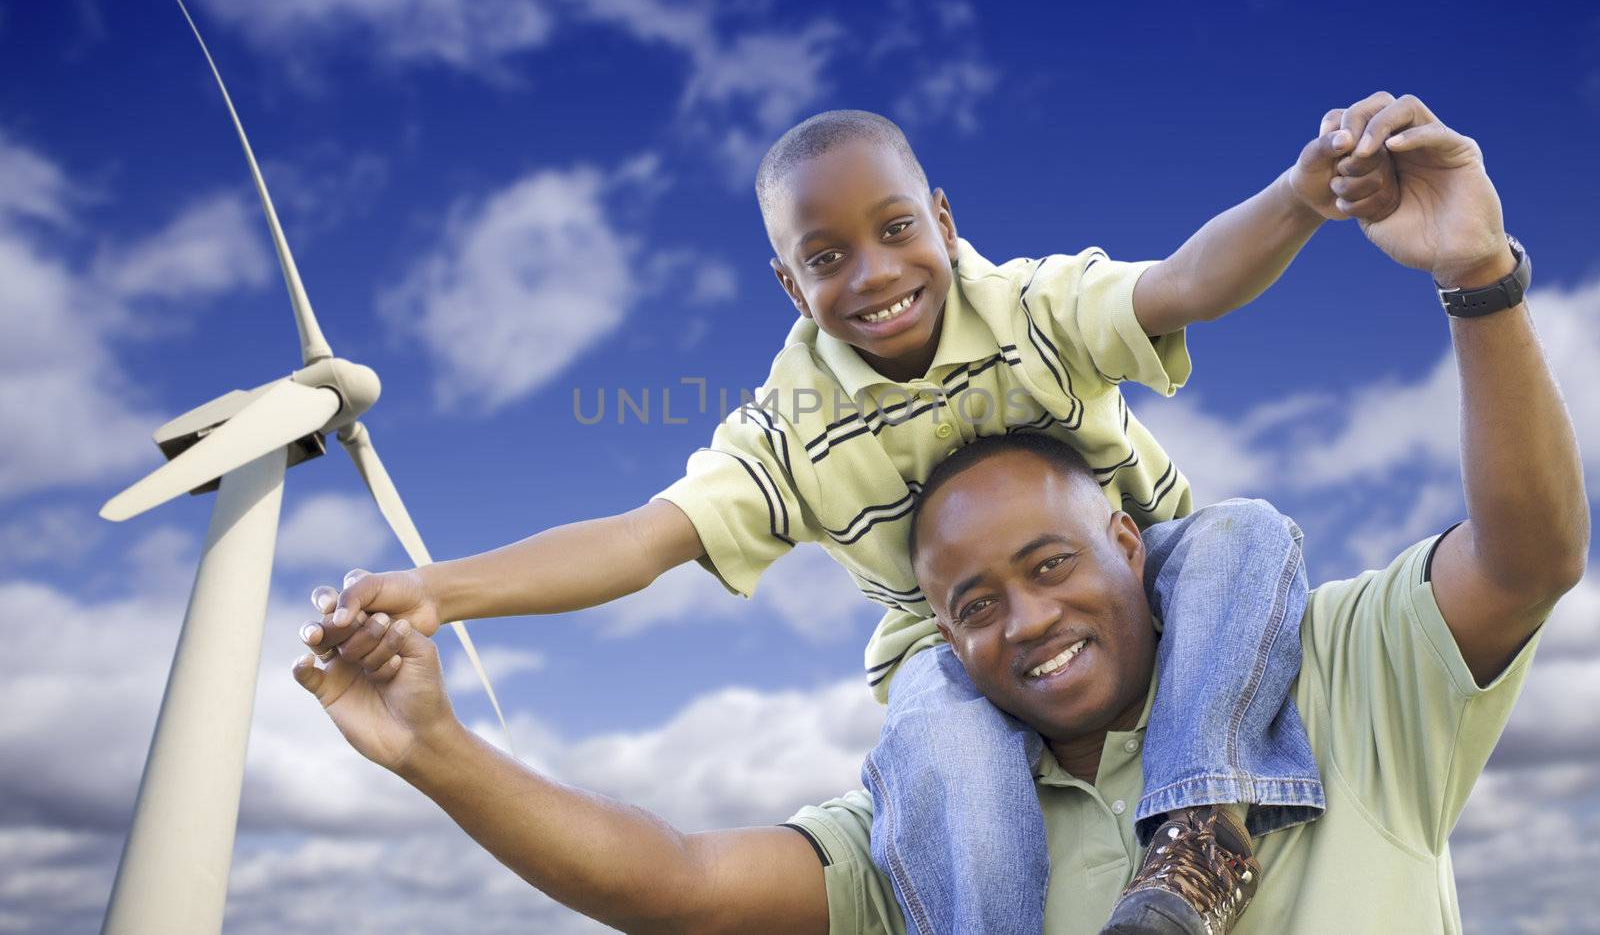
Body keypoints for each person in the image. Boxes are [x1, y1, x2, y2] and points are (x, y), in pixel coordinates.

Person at [296, 93, 1585, 934]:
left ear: (948, 224)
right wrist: (444, 600)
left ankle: (1197, 829)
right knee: (937, 730)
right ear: (789, 282)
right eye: (827, 257)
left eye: (896, 229)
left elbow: (1188, 285)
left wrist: (1329, 206)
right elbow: (646, 545)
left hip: (1191, 583)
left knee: (1246, 530)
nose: (873, 274)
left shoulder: (1032, 312)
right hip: (933, 676)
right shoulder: (794, 427)